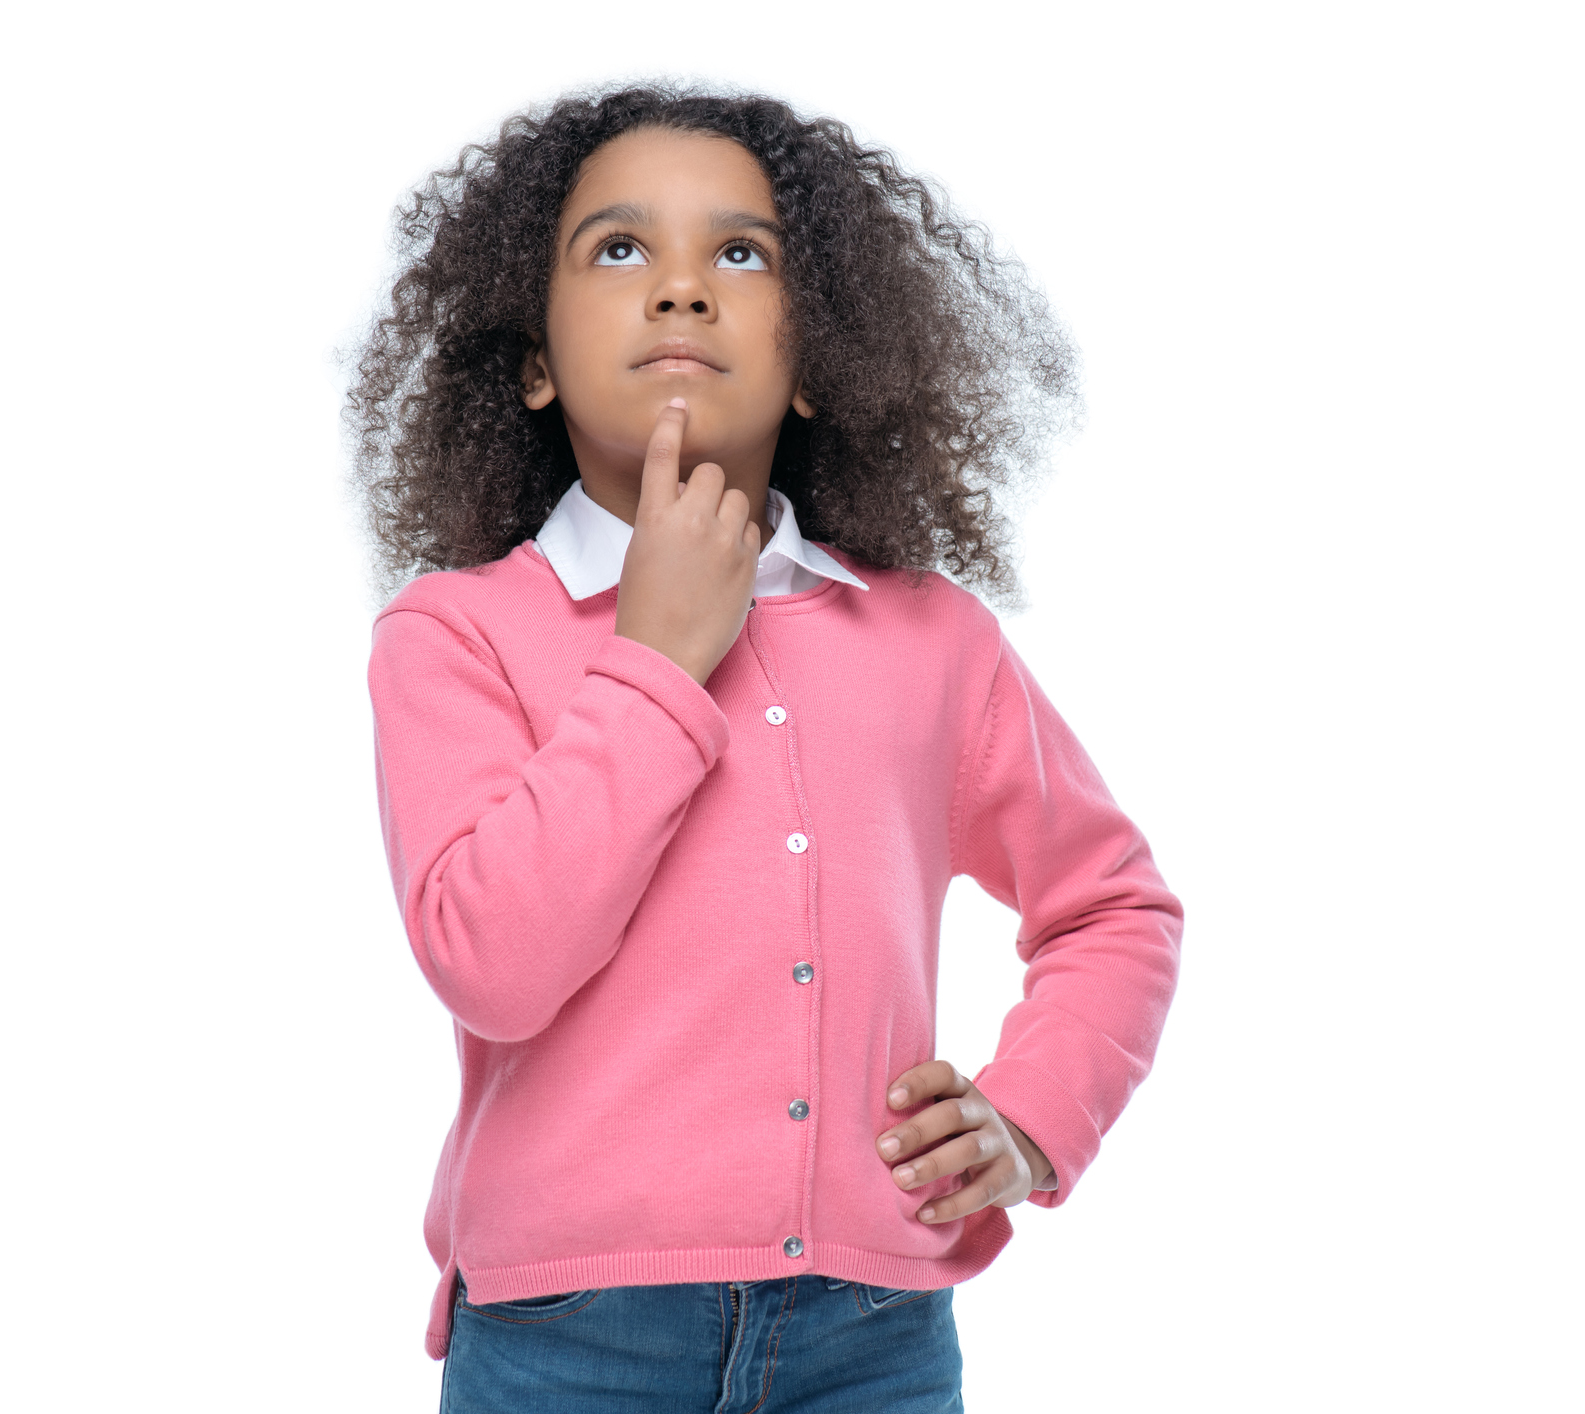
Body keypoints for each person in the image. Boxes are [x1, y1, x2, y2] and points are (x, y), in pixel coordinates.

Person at [349, 83, 1183, 1413]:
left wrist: (1032, 1114)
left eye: (741, 253)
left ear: (814, 364)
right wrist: (659, 655)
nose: (683, 287)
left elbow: (1114, 904)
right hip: (568, 1343)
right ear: (532, 362)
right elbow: (490, 963)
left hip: (874, 1342)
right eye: (619, 249)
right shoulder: (455, 634)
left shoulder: (929, 639)